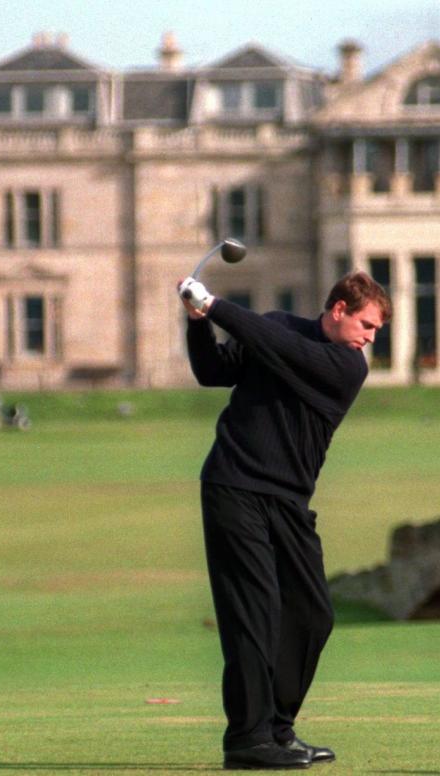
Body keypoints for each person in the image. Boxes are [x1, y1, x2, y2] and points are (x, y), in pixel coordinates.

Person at [179, 271, 391, 770]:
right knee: (253, 615)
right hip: (235, 487)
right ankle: (248, 739)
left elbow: (282, 349)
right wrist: (197, 322)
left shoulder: (345, 367)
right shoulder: (277, 327)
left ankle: (276, 727)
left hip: (290, 501)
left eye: (377, 330)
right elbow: (213, 371)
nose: (370, 337)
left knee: (313, 612)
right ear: (338, 309)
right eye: (366, 324)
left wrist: (216, 305)